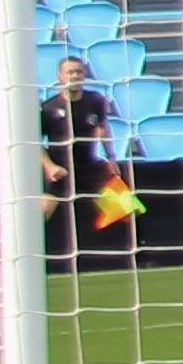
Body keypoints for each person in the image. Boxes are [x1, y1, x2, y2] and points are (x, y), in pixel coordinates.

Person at [39, 48, 135, 259]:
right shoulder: (48, 108)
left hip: (90, 168)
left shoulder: (95, 100)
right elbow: (35, 143)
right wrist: (49, 166)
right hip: (61, 171)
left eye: (78, 72)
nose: (74, 76)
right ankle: (37, 261)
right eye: (70, 72)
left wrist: (110, 156)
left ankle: (139, 257)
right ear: (60, 76)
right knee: (41, 212)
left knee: (126, 209)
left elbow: (101, 127)